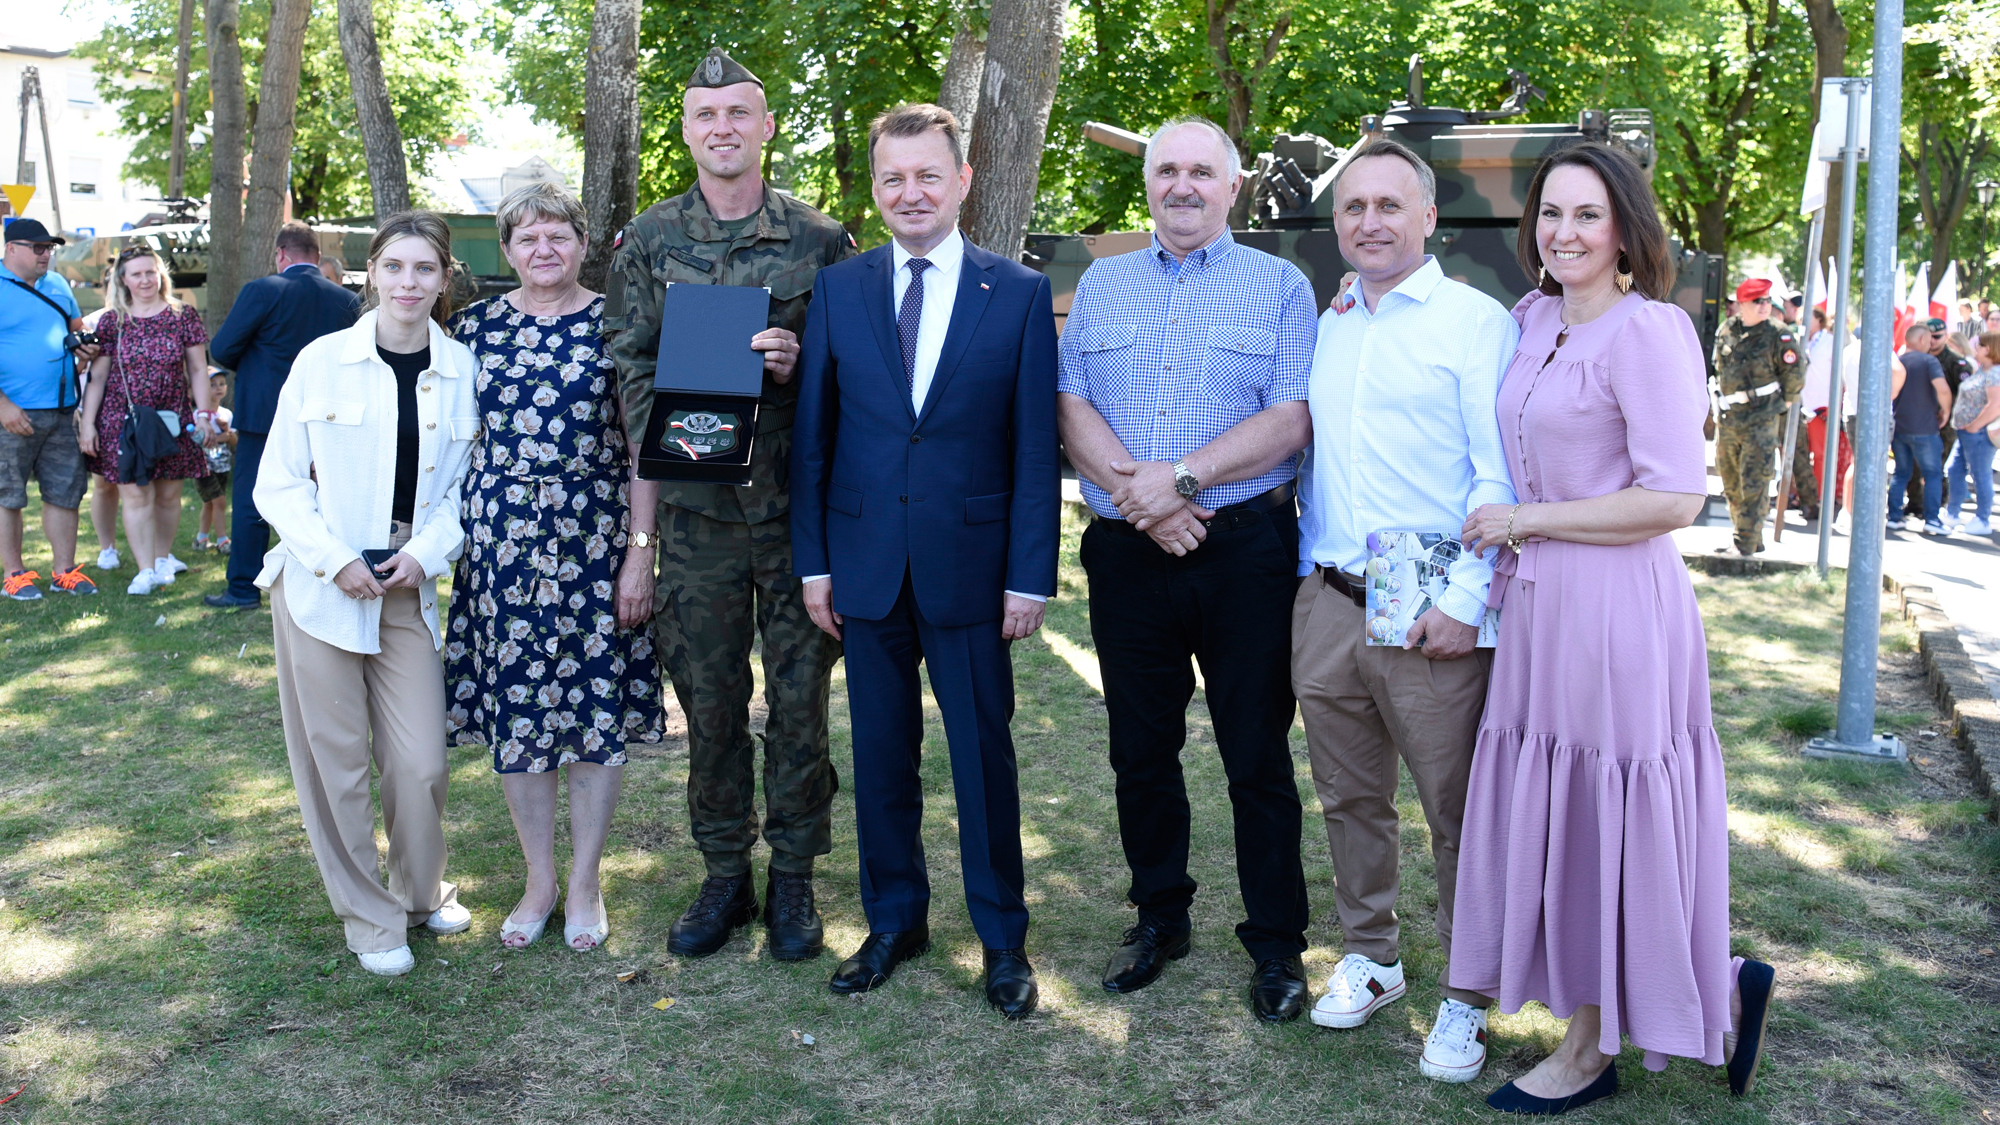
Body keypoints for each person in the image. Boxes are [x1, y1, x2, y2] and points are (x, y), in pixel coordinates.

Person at [1453, 141, 1775, 1114]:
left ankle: (1588, 1050)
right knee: (1557, 815)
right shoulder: (1530, 316)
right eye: (1549, 214)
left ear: (1624, 226)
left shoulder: (1649, 332)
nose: (1562, 233)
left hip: (1614, 610)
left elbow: (1675, 496)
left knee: (1605, 820)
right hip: (1540, 609)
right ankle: (1715, 990)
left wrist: (1523, 519)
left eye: (1585, 215)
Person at [791, 104, 1059, 1016]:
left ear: (962, 181)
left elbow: (1033, 449)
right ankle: (895, 920)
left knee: (983, 757)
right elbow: (814, 442)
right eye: (894, 178)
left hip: (975, 571)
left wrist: (1031, 573)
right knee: (881, 753)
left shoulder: (1015, 293)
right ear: (876, 188)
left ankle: (1001, 938)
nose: (912, 193)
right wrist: (815, 564)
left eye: (928, 176)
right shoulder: (841, 290)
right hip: (863, 567)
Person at [1056, 116, 1315, 1022]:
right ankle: (1159, 917)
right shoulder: (1104, 282)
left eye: (1202, 171)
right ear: (1149, 182)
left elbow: (1292, 418)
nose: (1181, 185)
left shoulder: (1279, 285)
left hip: (1244, 550)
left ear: (1232, 186)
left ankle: (1278, 945)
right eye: (1167, 169)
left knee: (1255, 751)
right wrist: (1142, 499)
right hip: (1129, 550)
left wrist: (1183, 479)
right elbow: (1071, 399)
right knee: (1140, 750)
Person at [604, 47, 856, 962]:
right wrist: (673, 430)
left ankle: (794, 878)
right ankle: (723, 874)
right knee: (708, 703)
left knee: (800, 704)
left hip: (794, 517)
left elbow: (852, 373)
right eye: (705, 115)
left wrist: (794, 363)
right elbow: (628, 362)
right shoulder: (650, 239)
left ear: (766, 126)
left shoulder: (822, 242)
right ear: (686, 129)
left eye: (738, 114)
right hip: (699, 518)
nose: (722, 129)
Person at [1292, 137, 1517, 1082]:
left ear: (1430, 217)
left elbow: (1499, 473)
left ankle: (1468, 995)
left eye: (1390, 205)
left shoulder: (1475, 321)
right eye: (1353, 207)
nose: (1369, 221)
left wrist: (1467, 601)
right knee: (1349, 798)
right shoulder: (1335, 318)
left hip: (1433, 602)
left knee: (1456, 808)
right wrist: (1309, 584)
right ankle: (1374, 956)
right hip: (1332, 596)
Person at [255, 211, 480, 977]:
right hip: (321, 590)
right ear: (371, 274)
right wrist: (329, 559)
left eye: (424, 270)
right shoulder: (323, 362)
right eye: (394, 268)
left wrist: (425, 553)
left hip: (404, 589)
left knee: (421, 762)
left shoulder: (461, 369)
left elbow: (463, 491)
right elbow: (277, 482)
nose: (408, 283)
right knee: (338, 766)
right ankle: (370, 917)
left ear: (445, 278)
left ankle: (420, 890)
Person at [443, 182, 662, 953]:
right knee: (522, 714)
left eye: (558, 236)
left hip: (597, 541)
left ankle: (585, 880)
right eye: (527, 238)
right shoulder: (469, 330)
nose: (543, 250)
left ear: (583, 242)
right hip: (501, 548)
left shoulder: (618, 326)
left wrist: (640, 557)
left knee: (593, 712)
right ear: (505, 250)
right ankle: (538, 877)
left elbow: (645, 448)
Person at [206, 221, 361, 609]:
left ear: (280, 254)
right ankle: (329, 580)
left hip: (264, 414)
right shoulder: (346, 300)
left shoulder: (262, 290)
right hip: (328, 416)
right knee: (327, 500)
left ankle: (243, 588)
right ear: (318, 257)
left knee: (252, 500)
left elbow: (222, 349)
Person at [77, 246, 215, 595]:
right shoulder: (113, 321)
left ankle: (162, 557)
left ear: (161, 274)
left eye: (150, 272)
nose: (145, 280)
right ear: (123, 280)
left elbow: (198, 369)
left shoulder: (182, 315)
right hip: (122, 421)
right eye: (136, 274)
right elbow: (97, 377)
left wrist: (204, 414)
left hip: (172, 416)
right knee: (136, 496)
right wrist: (87, 423)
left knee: (169, 496)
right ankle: (145, 569)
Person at [0, 218, 98, 599]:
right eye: (38, 248)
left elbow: (74, 329)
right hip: (13, 413)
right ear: (11, 249)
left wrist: (84, 351)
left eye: (50, 248)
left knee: (65, 491)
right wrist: (3, 405)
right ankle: (14, 574)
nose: (46, 255)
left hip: (61, 409)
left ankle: (64, 571)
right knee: (8, 494)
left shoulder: (58, 285)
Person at [1708, 278, 1804, 555]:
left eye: (1767, 300)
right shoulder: (1727, 329)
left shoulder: (1779, 334)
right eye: (1758, 301)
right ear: (1742, 305)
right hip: (1728, 418)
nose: (1765, 306)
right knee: (1730, 481)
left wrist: (1776, 407)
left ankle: (1745, 543)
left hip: (1761, 419)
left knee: (1755, 480)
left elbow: (1794, 377)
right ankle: (1746, 534)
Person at [1890, 323, 1951, 535]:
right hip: (1925, 429)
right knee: (1933, 474)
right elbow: (1942, 389)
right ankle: (1932, 519)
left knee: (1900, 473)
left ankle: (1894, 516)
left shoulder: (1897, 360)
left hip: (1900, 427)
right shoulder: (1929, 361)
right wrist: (1946, 411)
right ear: (1923, 340)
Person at [1908, 318, 1972, 522]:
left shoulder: (1956, 362)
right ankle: (1915, 503)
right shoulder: (1916, 357)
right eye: (1930, 337)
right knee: (1913, 464)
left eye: (1938, 337)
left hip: (1944, 424)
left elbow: (1964, 394)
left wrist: (1950, 415)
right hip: (1917, 421)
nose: (1933, 341)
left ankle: (1937, 505)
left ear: (1945, 336)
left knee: (1937, 466)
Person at [1802, 308, 1858, 518]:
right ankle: (1802, 496)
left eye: (1808, 316)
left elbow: (1841, 374)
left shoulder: (1829, 341)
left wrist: (1836, 404)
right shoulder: (1801, 339)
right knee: (1799, 455)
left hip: (1822, 406)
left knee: (1821, 455)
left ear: (1818, 319)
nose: (1803, 320)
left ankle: (1820, 497)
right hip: (1801, 405)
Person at [1943, 331, 2000, 536]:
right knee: (1954, 469)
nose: (1976, 348)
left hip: (1978, 434)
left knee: (1980, 474)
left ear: (1990, 348)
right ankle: (1952, 512)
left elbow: (1996, 404)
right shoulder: (1983, 370)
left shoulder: (1994, 373)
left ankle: (1982, 519)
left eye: (1980, 345)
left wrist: (1976, 425)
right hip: (1966, 432)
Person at [194, 369, 234, 554]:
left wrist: (227, 432)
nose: (218, 388)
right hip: (203, 466)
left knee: (210, 503)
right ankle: (223, 541)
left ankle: (201, 539)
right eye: (212, 385)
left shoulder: (227, 414)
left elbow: (234, 441)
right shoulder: (197, 416)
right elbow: (197, 440)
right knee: (219, 502)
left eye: (221, 384)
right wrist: (221, 436)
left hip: (223, 465)